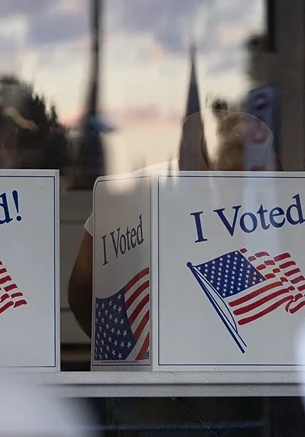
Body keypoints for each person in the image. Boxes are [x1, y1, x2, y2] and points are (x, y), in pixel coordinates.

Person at [67, 112, 281, 435]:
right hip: (152, 390)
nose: (244, 180)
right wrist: (126, 354)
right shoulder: (129, 193)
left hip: (226, 385)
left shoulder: (262, 195)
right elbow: (85, 289)